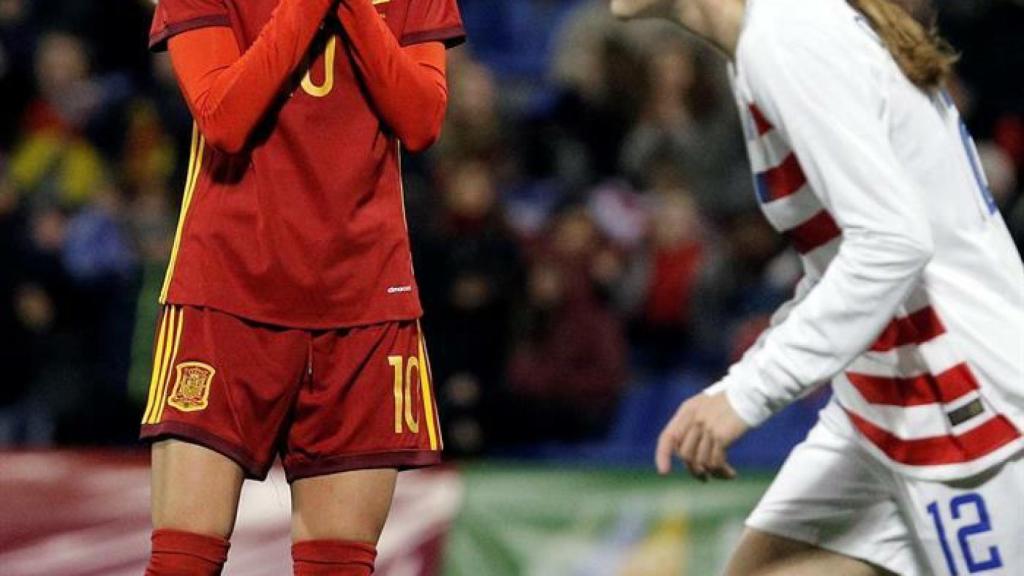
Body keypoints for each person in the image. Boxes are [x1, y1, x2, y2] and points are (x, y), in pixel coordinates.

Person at [611, 0, 1024, 574]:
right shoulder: (782, 33)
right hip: (884, 401)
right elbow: (840, 263)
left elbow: (892, 245)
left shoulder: (788, 36)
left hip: (962, 406)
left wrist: (746, 396)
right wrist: (738, 382)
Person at [139, 0, 463, 574]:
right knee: (182, 563)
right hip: (226, 292)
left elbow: (421, 122)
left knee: (337, 566)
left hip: (364, 301)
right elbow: (223, 119)